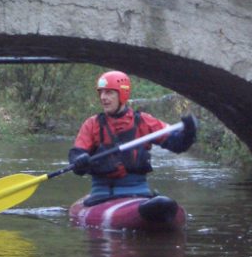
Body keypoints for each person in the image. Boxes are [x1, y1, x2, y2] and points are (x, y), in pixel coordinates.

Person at [68, 70, 197, 206]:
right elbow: (77, 155)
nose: (103, 97)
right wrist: (79, 161)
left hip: (138, 191)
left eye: (109, 92)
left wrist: (189, 133)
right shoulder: (92, 124)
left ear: (122, 94)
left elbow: (177, 144)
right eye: (101, 92)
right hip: (102, 194)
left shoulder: (144, 121)